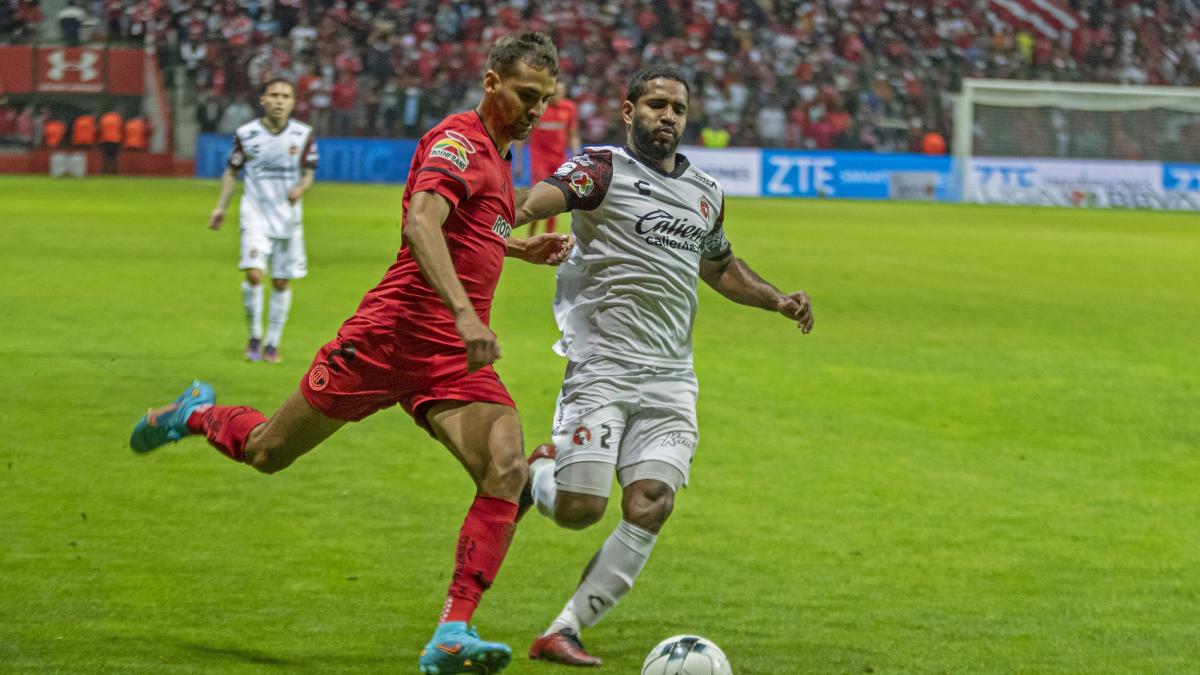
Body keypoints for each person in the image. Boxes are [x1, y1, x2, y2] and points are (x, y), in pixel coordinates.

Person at [129, 31, 570, 674]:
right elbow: (421, 224)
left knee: (506, 470)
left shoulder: (502, 161)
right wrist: (467, 312)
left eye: (546, 99)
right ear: (492, 83)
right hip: (388, 338)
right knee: (267, 453)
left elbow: (470, 230)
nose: (535, 109)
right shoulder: (458, 142)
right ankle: (196, 414)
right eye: (526, 95)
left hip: (450, 359)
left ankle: (452, 631)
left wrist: (516, 247)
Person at [515, 65, 815, 665]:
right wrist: (509, 234)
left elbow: (720, 265)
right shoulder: (600, 170)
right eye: (655, 105)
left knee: (652, 499)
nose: (667, 117)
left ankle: (565, 628)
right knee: (581, 510)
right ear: (629, 112)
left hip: (671, 376)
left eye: (677, 108)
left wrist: (778, 299)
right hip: (601, 366)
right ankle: (535, 478)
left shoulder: (705, 192)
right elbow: (526, 204)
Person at [208, 78, 316, 363]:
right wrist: (220, 207)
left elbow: (308, 172)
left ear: (293, 102)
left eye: (286, 96)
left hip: (288, 219)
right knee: (255, 273)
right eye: (274, 95)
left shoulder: (303, 135)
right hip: (255, 214)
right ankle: (254, 337)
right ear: (263, 100)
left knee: (281, 281)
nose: (280, 101)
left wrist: (302, 188)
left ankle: (272, 344)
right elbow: (231, 171)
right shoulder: (246, 134)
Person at [515, 81, 579, 234]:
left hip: (559, 161)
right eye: (556, 91)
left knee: (555, 199)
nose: (559, 94)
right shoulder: (538, 108)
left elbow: (572, 134)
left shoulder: (569, 108)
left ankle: (548, 235)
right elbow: (521, 137)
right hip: (540, 160)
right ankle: (532, 232)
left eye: (562, 91)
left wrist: (577, 156)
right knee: (538, 198)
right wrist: (517, 162)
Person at [98, 109, 122, 174]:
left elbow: (100, 128)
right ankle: (114, 171)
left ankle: (104, 170)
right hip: (115, 140)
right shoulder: (117, 118)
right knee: (114, 157)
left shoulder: (104, 118)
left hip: (105, 140)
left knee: (105, 157)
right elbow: (121, 128)